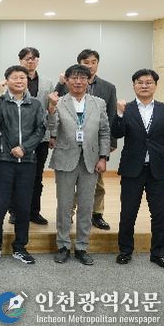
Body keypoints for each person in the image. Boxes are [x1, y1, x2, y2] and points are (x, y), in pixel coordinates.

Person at [112, 69, 164, 269]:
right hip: (132, 169)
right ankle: (125, 251)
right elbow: (116, 133)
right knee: (128, 212)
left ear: (155, 85)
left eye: (149, 82)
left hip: (158, 170)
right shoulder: (126, 108)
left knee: (159, 214)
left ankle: (158, 254)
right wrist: (119, 114)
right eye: (140, 82)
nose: (144, 85)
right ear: (134, 85)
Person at [47, 64, 110, 266]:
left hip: (91, 161)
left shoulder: (99, 103)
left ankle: (82, 246)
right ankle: (63, 245)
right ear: (66, 80)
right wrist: (51, 109)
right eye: (74, 77)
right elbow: (51, 129)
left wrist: (103, 157)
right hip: (65, 159)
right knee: (64, 205)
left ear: (89, 81)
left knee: (86, 205)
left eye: (83, 78)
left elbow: (104, 132)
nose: (78, 81)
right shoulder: (58, 102)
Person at [0, 66, 46, 264]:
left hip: (27, 162)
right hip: (3, 161)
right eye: (15, 77)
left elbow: (40, 130)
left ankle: (20, 247)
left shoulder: (35, 104)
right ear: (7, 80)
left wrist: (24, 148)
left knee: (23, 206)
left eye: (22, 77)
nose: (19, 81)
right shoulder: (0, 101)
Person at [55, 49, 118, 230]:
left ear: (97, 64)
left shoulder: (108, 87)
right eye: (86, 62)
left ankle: (96, 214)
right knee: (68, 190)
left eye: (93, 62)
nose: (90, 65)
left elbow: (111, 117)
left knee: (97, 185)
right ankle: (69, 214)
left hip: (95, 146)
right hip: (70, 146)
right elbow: (54, 104)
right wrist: (60, 83)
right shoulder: (67, 83)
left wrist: (109, 145)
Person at [17, 47, 54, 226]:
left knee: (37, 177)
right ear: (20, 61)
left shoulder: (48, 82)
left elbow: (52, 109)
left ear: (38, 60)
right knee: (19, 176)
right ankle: (16, 212)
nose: (30, 61)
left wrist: (53, 134)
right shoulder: (15, 79)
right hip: (19, 137)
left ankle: (34, 212)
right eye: (27, 58)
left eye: (34, 58)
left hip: (42, 137)